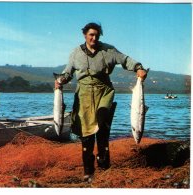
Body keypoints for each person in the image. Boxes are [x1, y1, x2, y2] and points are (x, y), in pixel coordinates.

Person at [55, 22, 147, 182]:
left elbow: (125, 60)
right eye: (91, 35)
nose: (94, 38)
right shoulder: (76, 52)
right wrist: (61, 80)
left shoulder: (109, 50)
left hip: (104, 92)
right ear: (85, 35)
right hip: (83, 95)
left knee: (102, 130)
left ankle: (104, 166)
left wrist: (138, 67)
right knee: (86, 135)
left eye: (97, 35)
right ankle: (88, 172)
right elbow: (68, 72)